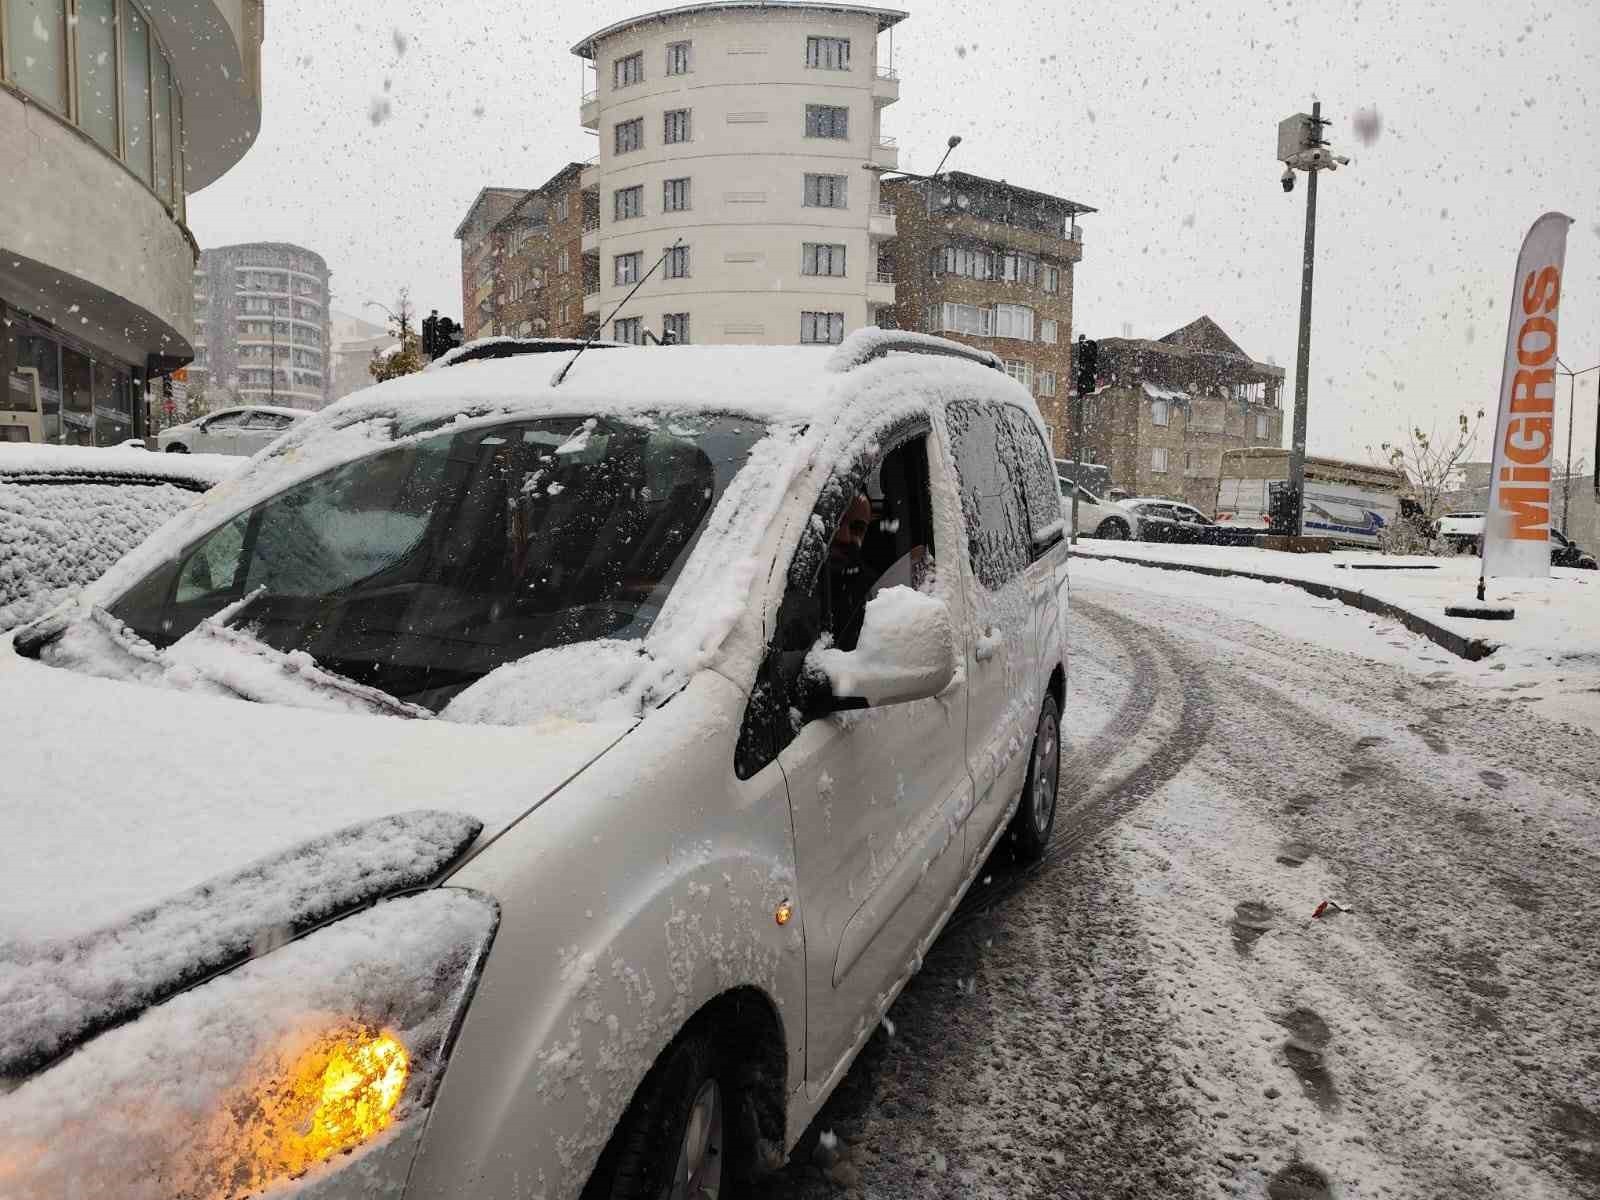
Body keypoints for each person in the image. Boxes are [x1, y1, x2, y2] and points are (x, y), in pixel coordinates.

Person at [825, 492, 873, 650]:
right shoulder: (781, 587)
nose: (844, 537)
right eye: (836, 522)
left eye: (857, 528)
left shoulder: (873, 595)